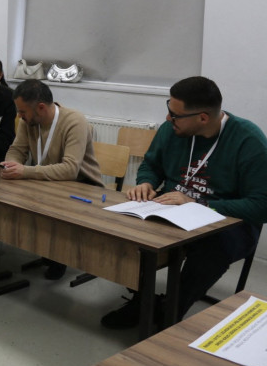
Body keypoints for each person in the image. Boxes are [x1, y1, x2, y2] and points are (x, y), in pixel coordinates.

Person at [101, 76, 267, 329]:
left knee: (211, 250)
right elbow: (151, 165)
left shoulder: (249, 141)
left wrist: (197, 203)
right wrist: (146, 182)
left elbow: (261, 206)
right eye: (169, 110)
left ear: (203, 118)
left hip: (227, 221)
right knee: (129, 231)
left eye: (175, 115)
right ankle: (142, 301)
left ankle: (170, 310)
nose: (168, 118)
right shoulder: (171, 129)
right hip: (170, 207)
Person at [1, 79, 103, 279]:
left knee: (49, 201)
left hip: (82, 185)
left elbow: (70, 170)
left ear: (40, 107)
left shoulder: (75, 121)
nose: (19, 116)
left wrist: (25, 171)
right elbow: (16, 150)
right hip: (47, 181)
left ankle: (58, 254)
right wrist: (11, 165)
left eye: (22, 111)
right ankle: (47, 248)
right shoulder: (28, 121)